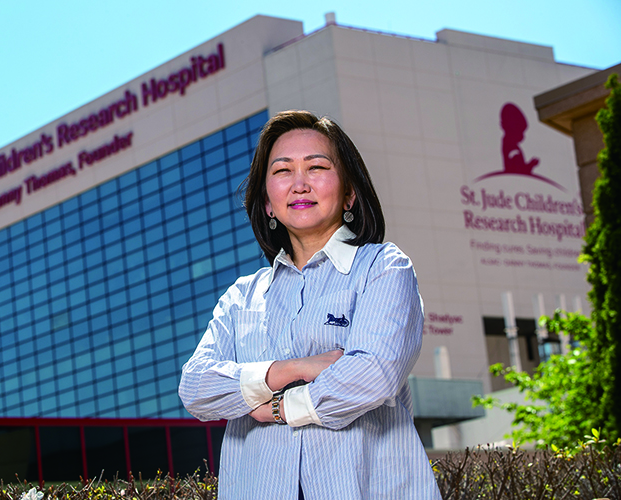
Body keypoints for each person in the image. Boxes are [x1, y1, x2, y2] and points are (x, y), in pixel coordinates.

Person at [178, 110, 442, 499]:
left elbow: (373, 373)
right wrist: (295, 369)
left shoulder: (383, 268)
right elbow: (196, 387)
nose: (300, 184)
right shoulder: (241, 297)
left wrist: (275, 406)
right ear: (267, 203)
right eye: (283, 171)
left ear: (349, 193)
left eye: (316, 167)